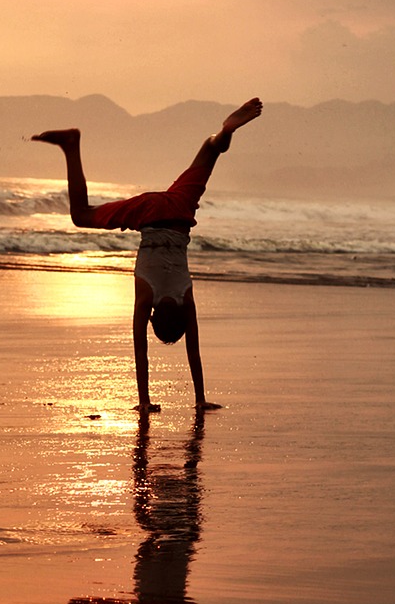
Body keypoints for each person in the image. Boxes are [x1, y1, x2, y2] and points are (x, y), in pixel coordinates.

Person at [32, 98, 262, 412]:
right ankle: (71, 146)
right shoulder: (147, 297)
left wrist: (199, 398)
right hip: (149, 214)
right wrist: (144, 401)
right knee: (82, 215)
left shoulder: (185, 298)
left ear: (178, 320)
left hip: (178, 209)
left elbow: (193, 350)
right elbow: (141, 350)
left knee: (209, 152)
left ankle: (222, 135)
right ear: (155, 318)